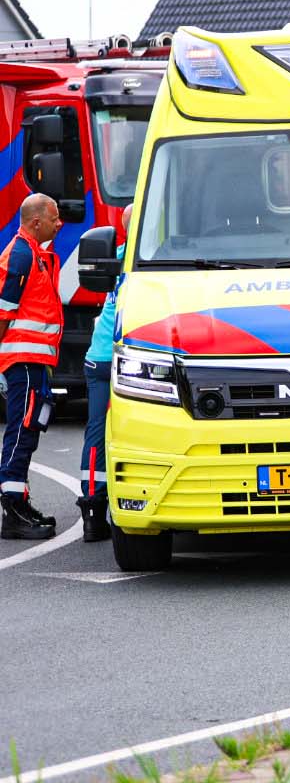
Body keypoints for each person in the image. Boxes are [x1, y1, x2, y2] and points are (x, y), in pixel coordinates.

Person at [0, 194, 64, 541]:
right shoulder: (22, 255)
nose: (60, 223)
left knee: (30, 431)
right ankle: (11, 509)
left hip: (35, 362)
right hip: (23, 362)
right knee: (21, 432)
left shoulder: (34, 254)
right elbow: (2, 312)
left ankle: (19, 502)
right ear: (36, 222)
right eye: (54, 218)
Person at [76, 206, 134, 542]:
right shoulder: (147, 258)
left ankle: (93, 511)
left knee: (96, 431)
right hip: (121, 353)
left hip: (98, 355)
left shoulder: (117, 257)